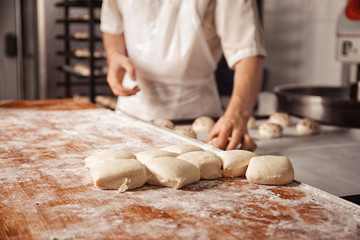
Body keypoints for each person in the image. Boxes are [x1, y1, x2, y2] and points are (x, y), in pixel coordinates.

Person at [100, 0, 266, 151]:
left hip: (196, 117)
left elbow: (247, 52)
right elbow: (112, 25)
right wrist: (114, 54)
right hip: (132, 109)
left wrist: (238, 113)